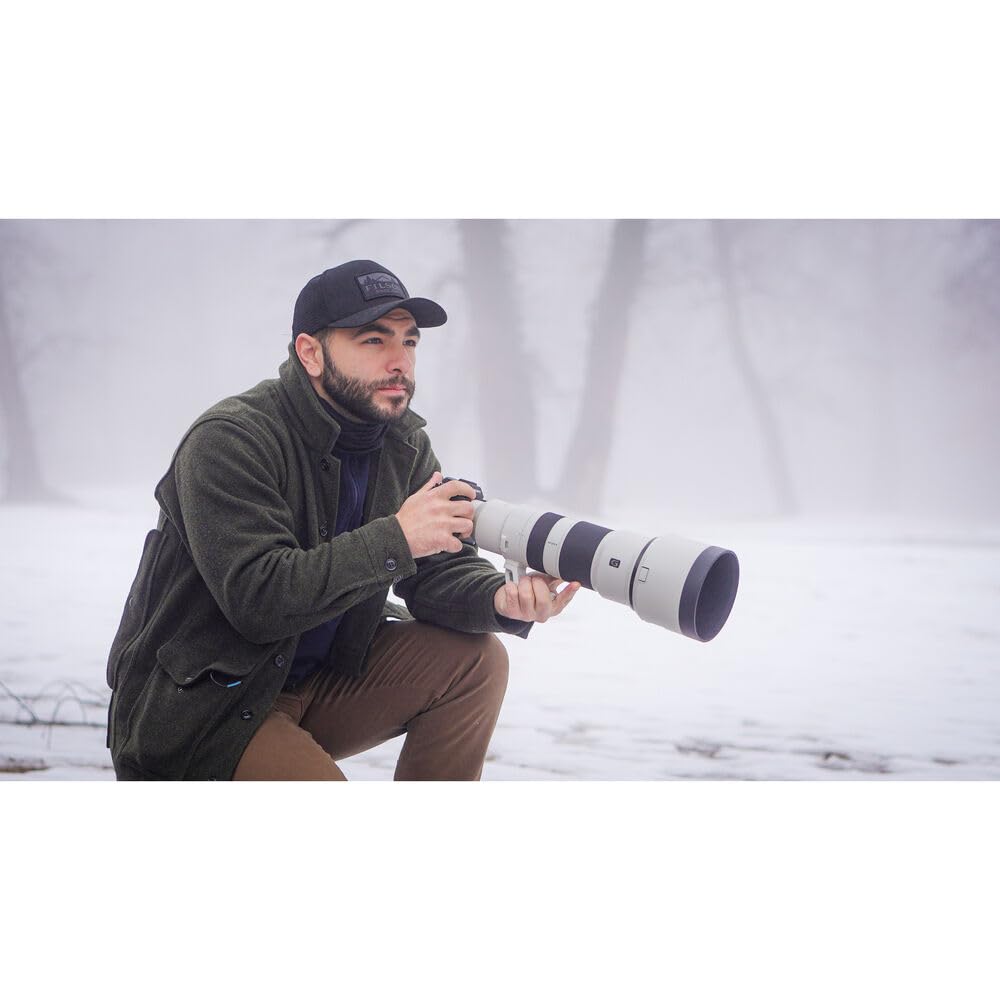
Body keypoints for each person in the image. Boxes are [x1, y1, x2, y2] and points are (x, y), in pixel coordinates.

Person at [105, 259, 579, 780]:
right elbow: (259, 601)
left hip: (319, 683)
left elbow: (438, 569)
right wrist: (397, 538)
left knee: (477, 662)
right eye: (374, 340)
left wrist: (498, 599)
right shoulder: (230, 439)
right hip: (206, 707)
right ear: (311, 353)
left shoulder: (402, 443)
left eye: (410, 341)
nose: (400, 361)